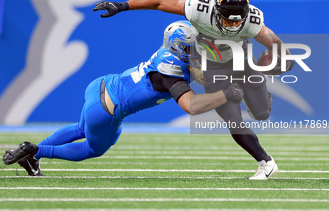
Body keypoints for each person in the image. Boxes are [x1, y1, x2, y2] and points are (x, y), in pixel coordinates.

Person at [91, 0, 296, 180]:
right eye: (228, 20)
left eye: (237, 20)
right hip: (213, 67)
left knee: (261, 114)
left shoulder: (252, 20)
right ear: (216, 11)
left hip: (240, 61)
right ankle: (266, 162)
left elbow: (277, 46)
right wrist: (122, 6)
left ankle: (258, 97)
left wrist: (282, 60)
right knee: (234, 121)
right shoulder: (200, 8)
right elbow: (159, 2)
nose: (233, 25)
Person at [2, 20, 244, 177]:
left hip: (100, 86)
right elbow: (191, 106)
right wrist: (226, 94)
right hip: (107, 109)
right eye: (191, 47)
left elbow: (200, 72)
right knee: (92, 149)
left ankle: (33, 156)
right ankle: (34, 150)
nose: (196, 51)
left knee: (80, 128)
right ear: (180, 47)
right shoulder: (170, 74)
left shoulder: (167, 54)